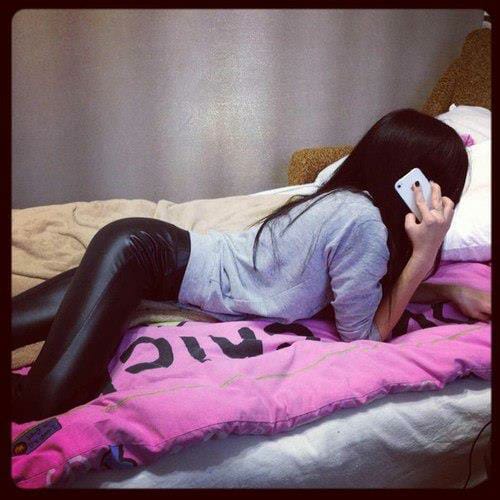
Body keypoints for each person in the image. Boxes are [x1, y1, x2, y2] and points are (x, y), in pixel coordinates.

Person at [11, 108, 488, 424]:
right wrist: (424, 252)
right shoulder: (362, 223)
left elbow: (364, 288)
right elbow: (362, 337)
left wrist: (449, 290)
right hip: (142, 255)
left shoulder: (350, 203)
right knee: (47, 402)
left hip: (142, 254)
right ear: (416, 185)